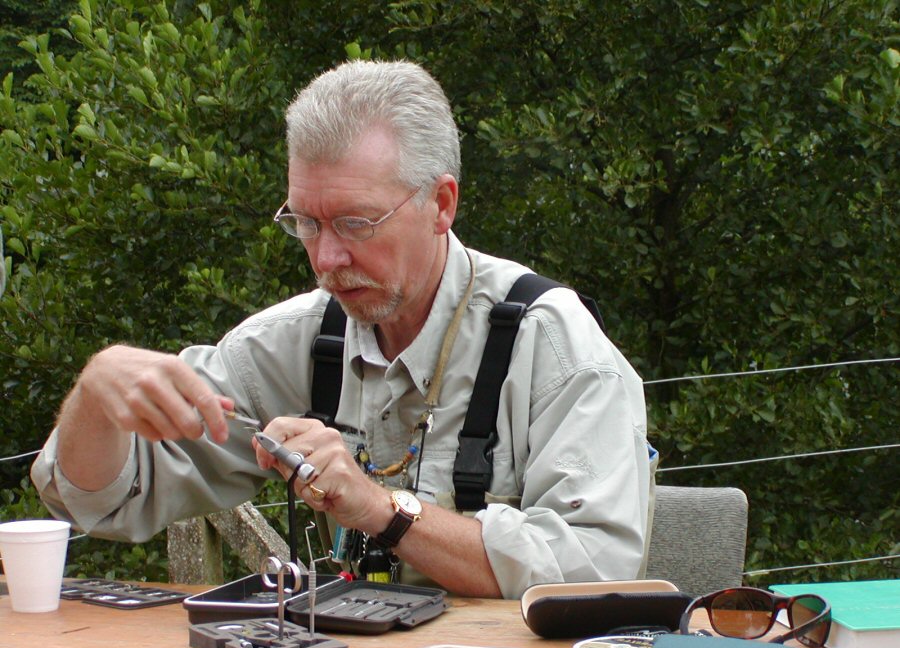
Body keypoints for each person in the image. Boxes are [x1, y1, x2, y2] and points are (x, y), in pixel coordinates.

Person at [32, 60, 653, 599]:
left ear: (441, 204)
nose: (326, 259)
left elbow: (595, 571)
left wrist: (382, 510)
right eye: (305, 223)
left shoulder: (554, 347)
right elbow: (97, 500)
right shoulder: (296, 343)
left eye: (356, 223)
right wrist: (95, 399)